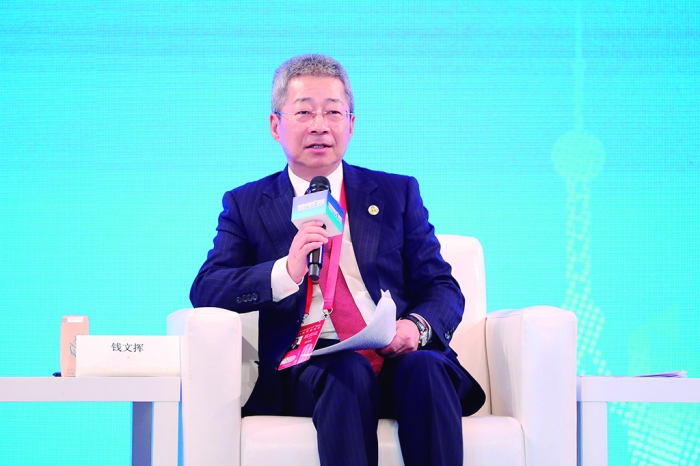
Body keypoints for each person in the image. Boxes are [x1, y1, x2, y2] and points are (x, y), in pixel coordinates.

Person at [190, 54, 485, 466]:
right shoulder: (247, 204)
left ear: (351, 123)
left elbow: (441, 286)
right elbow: (207, 288)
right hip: (312, 369)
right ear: (275, 125)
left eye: (332, 112)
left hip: (398, 356)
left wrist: (415, 328)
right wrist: (285, 271)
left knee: (426, 369)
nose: (319, 125)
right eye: (304, 112)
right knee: (348, 371)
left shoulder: (396, 193)